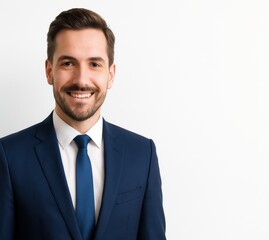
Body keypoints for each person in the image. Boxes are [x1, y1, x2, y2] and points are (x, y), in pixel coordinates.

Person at [0, 8, 166, 240]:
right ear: (49, 71)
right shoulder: (9, 156)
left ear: (110, 74)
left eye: (94, 64)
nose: (81, 80)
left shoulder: (142, 154)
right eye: (68, 63)